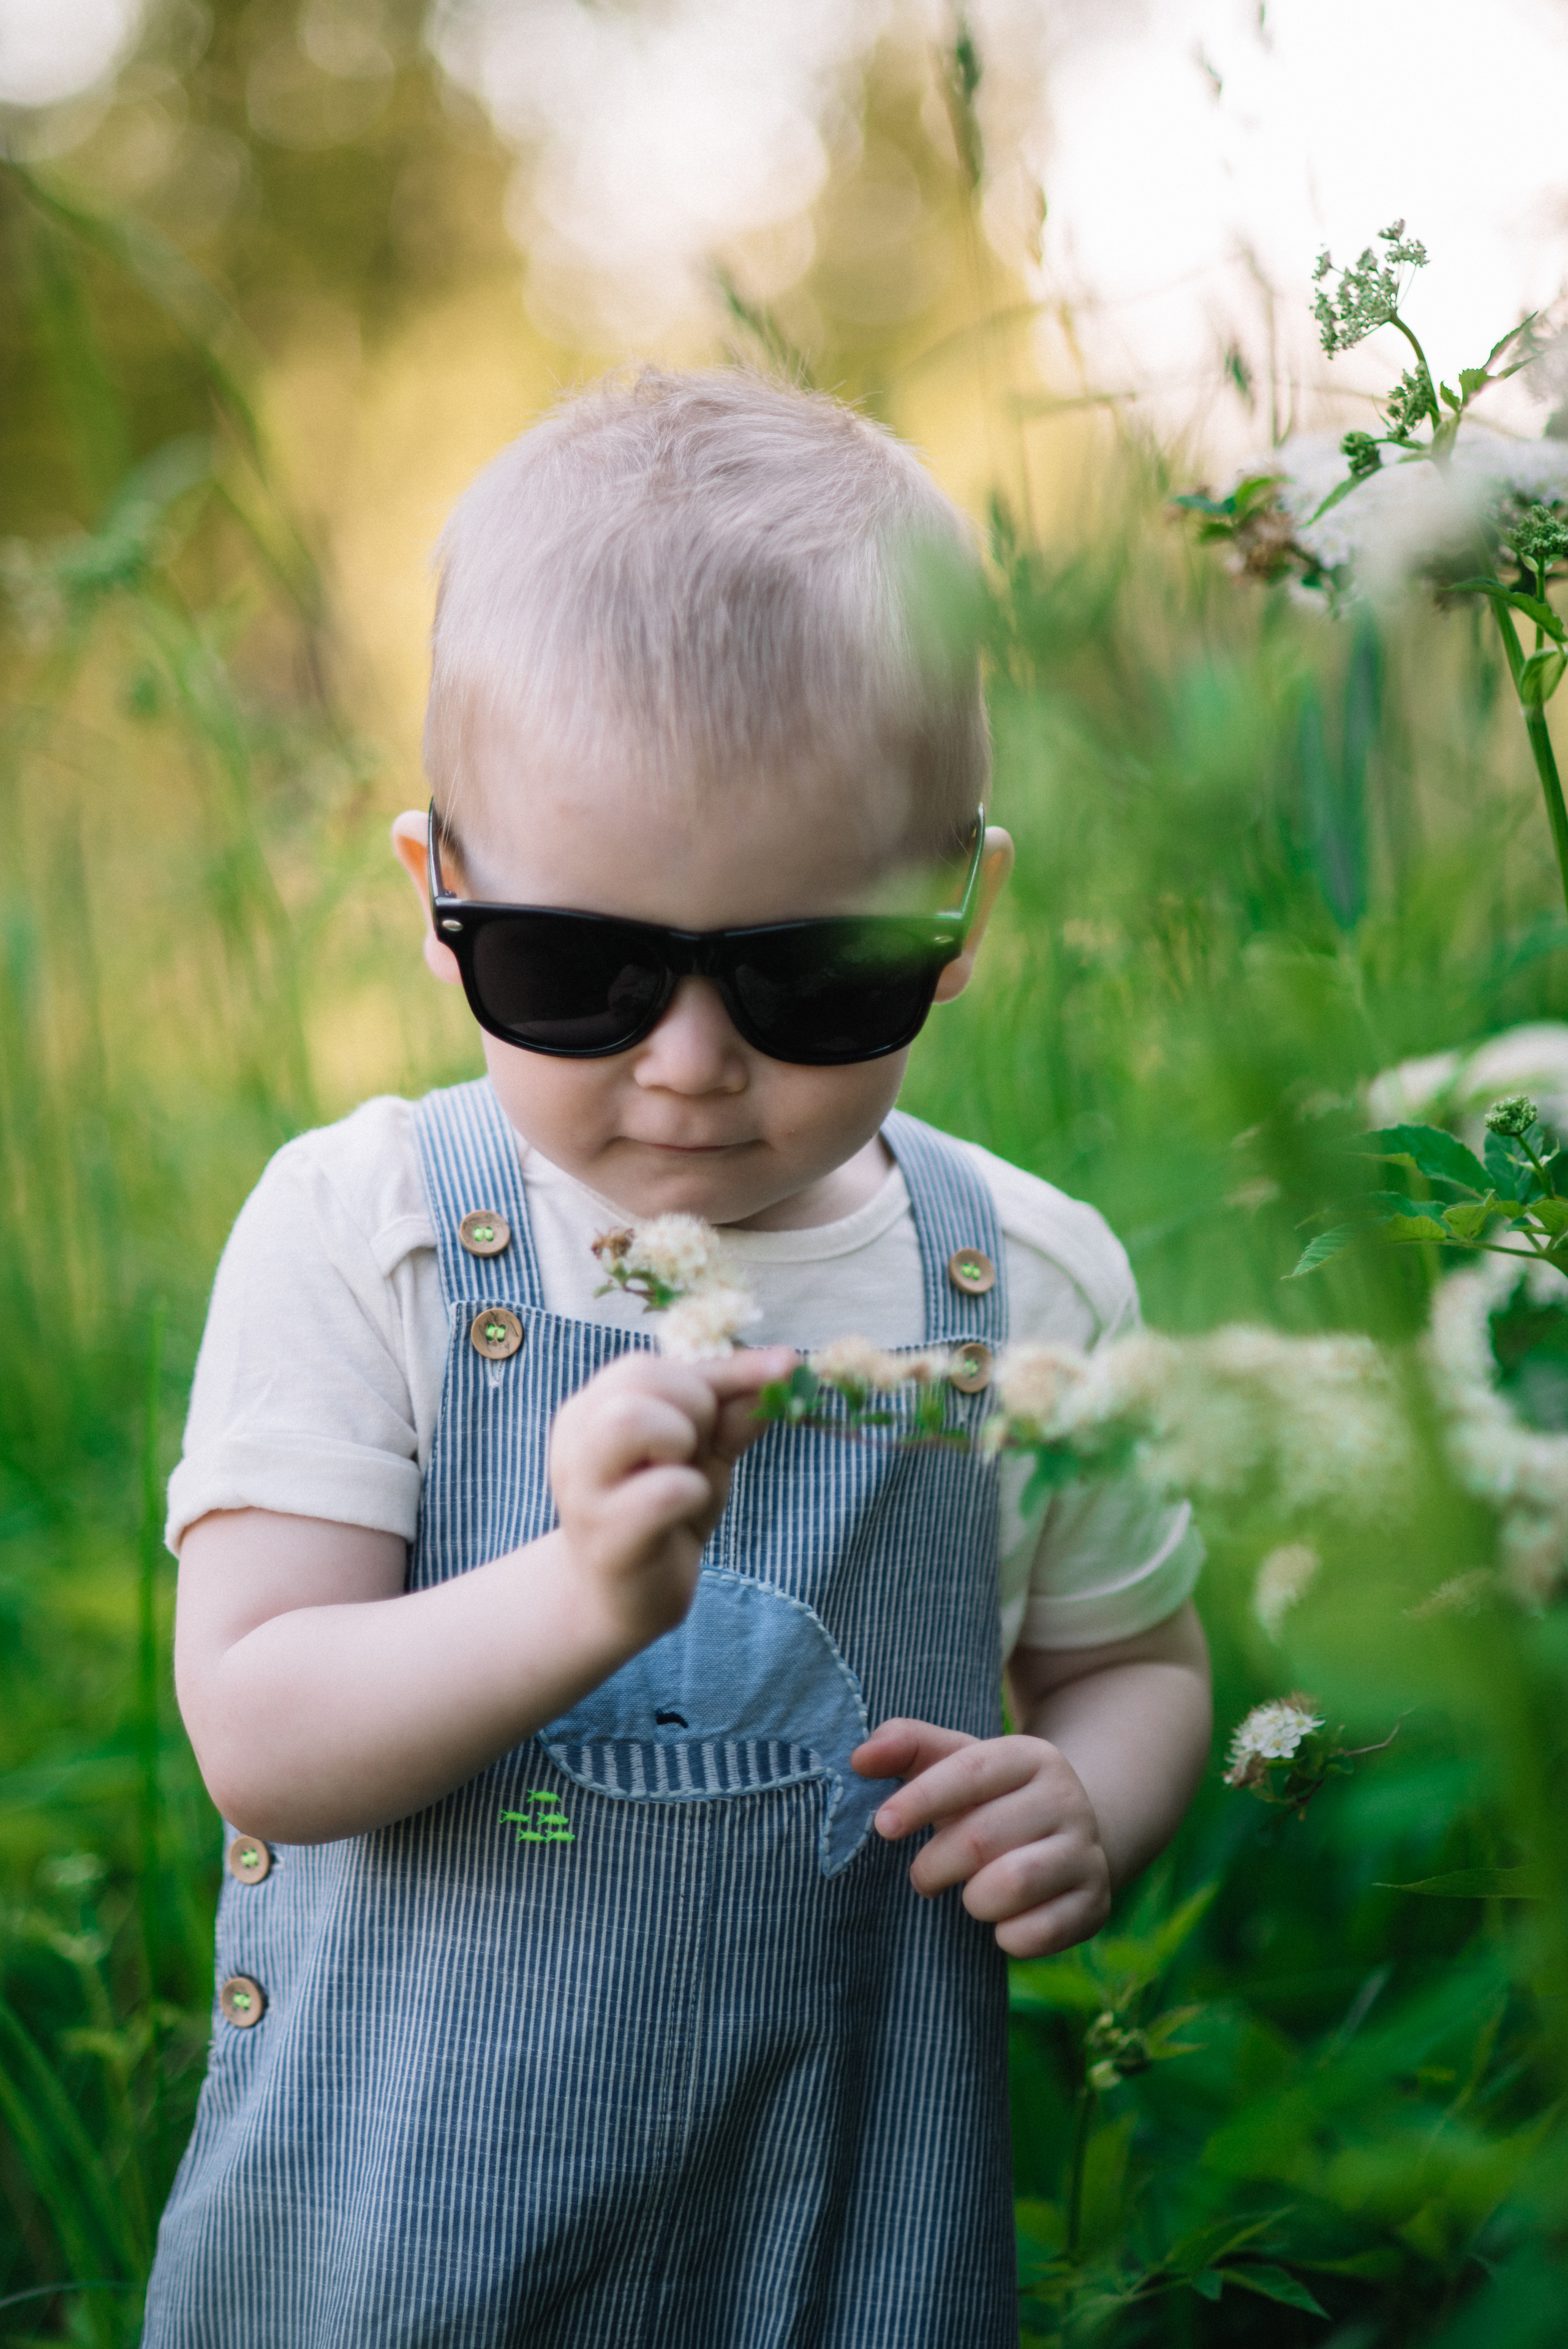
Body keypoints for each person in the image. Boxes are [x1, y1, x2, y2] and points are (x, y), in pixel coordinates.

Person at [143, 369, 1211, 2348]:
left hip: (845, 2247)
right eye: (581, 969)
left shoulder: (1026, 1280)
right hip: (394, 2251)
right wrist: (577, 1595)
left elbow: (1130, 1658)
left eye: (816, 974)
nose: (694, 1063)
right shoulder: (367, 1225)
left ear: (963, 912)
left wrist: (1086, 1790)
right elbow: (265, 1731)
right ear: (436, 892)